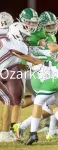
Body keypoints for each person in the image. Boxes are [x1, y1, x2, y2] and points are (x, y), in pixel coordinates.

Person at [0, 12, 29, 142]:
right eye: (24, 35)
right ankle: (6, 133)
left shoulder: (6, 38)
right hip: (8, 71)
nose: (25, 38)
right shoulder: (17, 43)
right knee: (11, 100)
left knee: (10, 100)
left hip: (5, 70)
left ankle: (8, 131)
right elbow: (27, 55)